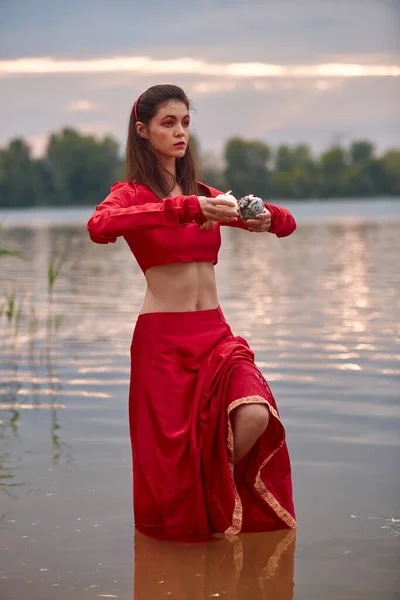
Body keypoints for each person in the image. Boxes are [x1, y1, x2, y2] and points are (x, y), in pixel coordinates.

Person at [87, 84, 297, 541]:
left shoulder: (209, 196)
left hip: (217, 337)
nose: (180, 131)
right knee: (169, 463)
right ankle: (195, 516)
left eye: (185, 121)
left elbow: (287, 223)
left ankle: (211, 499)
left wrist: (267, 217)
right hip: (163, 345)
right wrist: (182, 208)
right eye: (168, 123)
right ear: (142, 131)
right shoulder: (130, 195)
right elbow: (99, 227)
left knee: (255, 414)